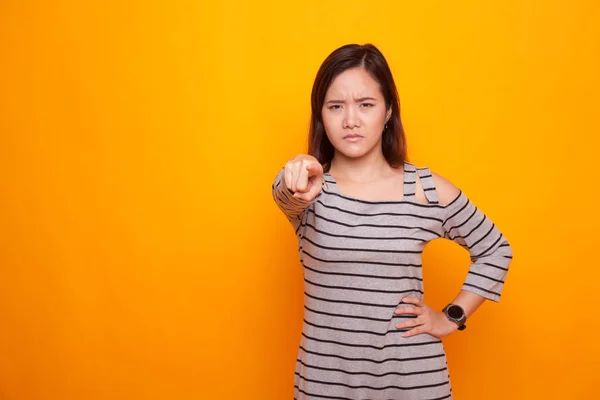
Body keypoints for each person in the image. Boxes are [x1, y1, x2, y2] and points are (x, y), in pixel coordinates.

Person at [271, 43, 513, 400]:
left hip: (415, 382)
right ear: (321, 116)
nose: (350, 120)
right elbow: (283, 194)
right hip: (324, 385)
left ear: (387, 112)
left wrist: (451, 316)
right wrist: (296, 173)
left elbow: (495, 249)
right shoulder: (310, 188)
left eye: (365, 105)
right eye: (336, 107)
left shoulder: (426, 189)